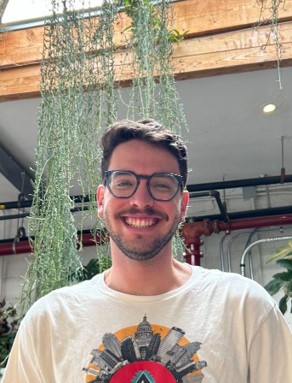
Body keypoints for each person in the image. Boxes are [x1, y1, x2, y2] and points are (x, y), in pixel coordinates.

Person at [3, 119, 292, 383]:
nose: (141, 200)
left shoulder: (244, 308)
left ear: (182, 204)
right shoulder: (50, 321)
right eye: (124, 183)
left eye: (162, 185)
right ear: (102, 199)